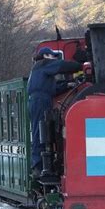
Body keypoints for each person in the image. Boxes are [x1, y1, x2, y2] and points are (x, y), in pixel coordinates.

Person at [28, 47, 82, 177]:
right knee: (39, 132)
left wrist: (67, 85)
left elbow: (52, 89)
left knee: (43, 132)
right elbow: (61, 66)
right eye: (52, 56)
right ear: (46, 55)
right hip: (40, 100)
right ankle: (38, 166)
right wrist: (81, 65)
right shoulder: (43, 64)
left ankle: (43, 165)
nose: (54, 59)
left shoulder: (39, 71)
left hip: (41, 99)